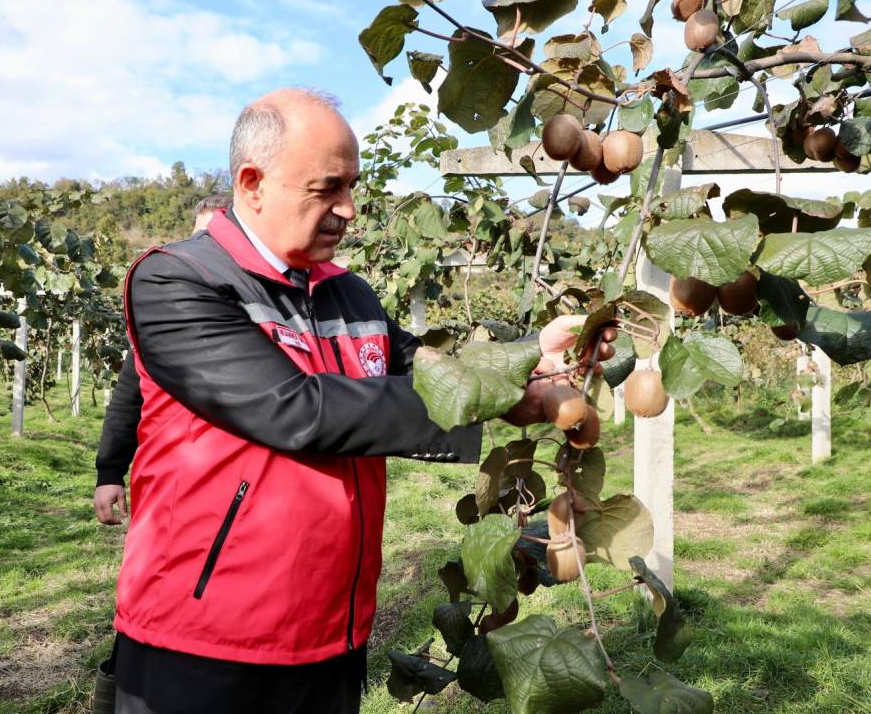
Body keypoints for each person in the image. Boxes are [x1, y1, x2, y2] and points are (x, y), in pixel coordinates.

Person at [105, 88, 613, 714]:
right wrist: (499, 401)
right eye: (328, 188)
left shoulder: (351, 293)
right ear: (252, 182)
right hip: (204, 638)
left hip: (331, 628)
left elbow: (435, 373)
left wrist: (530, 359)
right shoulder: (177, 280)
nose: (348, 210)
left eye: (353, 187)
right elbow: (294, 408)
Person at [93, 193, 232, 526]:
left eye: (215, 238)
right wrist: (109, 471)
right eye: (198, 238)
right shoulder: (166, 311)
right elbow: (130, 395)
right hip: (172, 485)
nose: (203, 247)